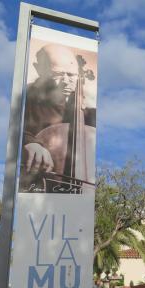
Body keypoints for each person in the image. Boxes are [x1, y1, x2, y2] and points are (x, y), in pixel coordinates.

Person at [19, 43, 96, 192]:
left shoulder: (88, 112)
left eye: (72, 75)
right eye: (58, 74)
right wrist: (28, 141)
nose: (66, 81)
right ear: (39, 69)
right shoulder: (24, 96)